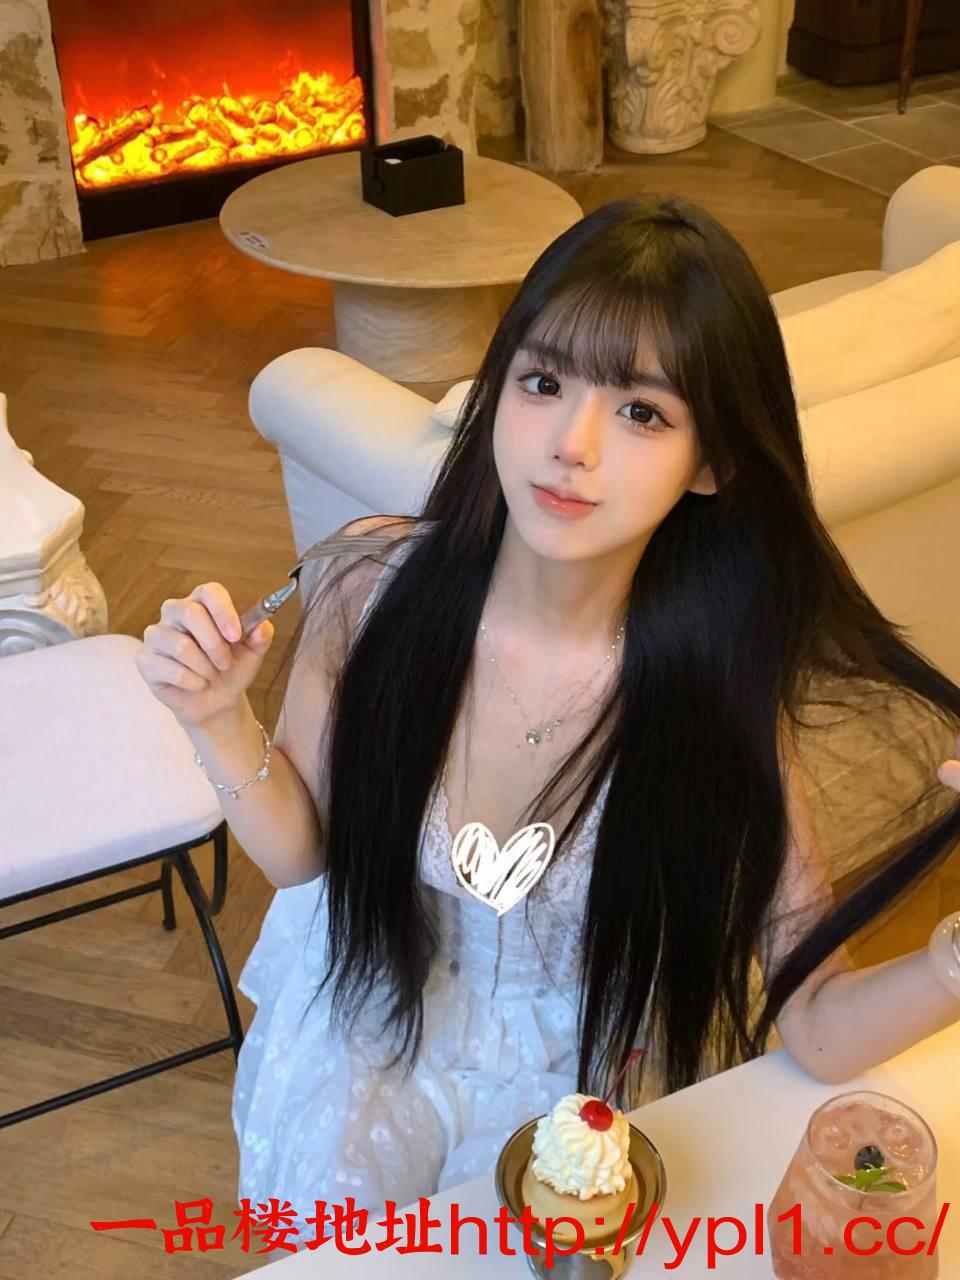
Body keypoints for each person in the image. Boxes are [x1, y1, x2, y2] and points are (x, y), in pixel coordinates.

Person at [137, 194, 960, 1244]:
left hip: (578, 1096)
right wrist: (218, 719)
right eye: (543, 382)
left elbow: (820, 1025)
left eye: (643, 412)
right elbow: (306, 854)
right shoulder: (373, 585)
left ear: (713, 462)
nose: (571, 443)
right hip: (369, 1035)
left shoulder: (715, 688)